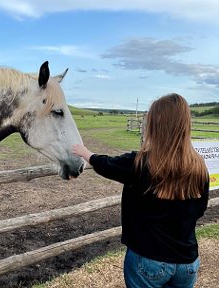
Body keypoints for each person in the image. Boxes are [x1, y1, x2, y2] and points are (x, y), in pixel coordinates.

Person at [72, 93, 209, 288]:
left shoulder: (141, 162)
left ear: (154, 126)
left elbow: (108, 165)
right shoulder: (198, 167)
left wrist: (86, 153)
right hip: (187, 262)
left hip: (148, 260)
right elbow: (200, 209)